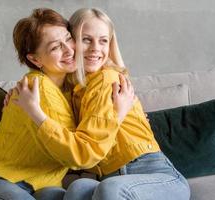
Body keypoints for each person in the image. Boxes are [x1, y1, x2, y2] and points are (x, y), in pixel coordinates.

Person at [14, 8, 191, 200]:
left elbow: (88, 150)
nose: (96, 48)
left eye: (103, 40)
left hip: (155, 174)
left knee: (111, 189)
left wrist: (117, 116)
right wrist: (16, 92)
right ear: (71, 42)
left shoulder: (108, 79)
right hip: (112, 177)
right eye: (87, 39)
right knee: (78, 188)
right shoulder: (73, 91)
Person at [0, 8, 133, 200]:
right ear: (34, 59)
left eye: (68, 38)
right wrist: (117, 117)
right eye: (56, 47)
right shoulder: (36, 89)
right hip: (1, 181)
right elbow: (79, 154)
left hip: (42, 186)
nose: (69, 50)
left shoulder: (71, 89)